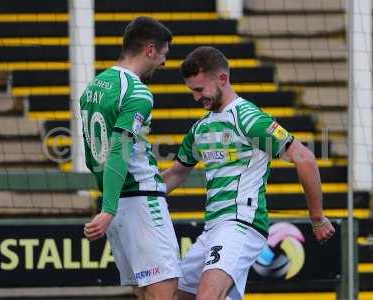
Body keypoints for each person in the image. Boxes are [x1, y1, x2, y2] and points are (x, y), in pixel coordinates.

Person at [162, 46, 335, 300]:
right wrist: (134, 196)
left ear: (222, 79)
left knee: (208, 295)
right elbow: (177, 173)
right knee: (172, 294)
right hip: (213, 228)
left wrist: (317, 217)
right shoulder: (200, 128)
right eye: (192, 91)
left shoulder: (249, 119)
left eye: (200, 90)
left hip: (241, 223)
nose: (197, 98)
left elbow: (305, 157)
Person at [81, 17, 181, 300]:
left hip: (119, 207)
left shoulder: (93, 87)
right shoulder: (138, 92)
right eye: (164, 54)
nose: (164, 62)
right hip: (140, 202)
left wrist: (110, 206)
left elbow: (94, 154)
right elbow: (118, 150)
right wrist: (108, 209)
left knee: (145, 293)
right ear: (150, 49)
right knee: (166, 294)